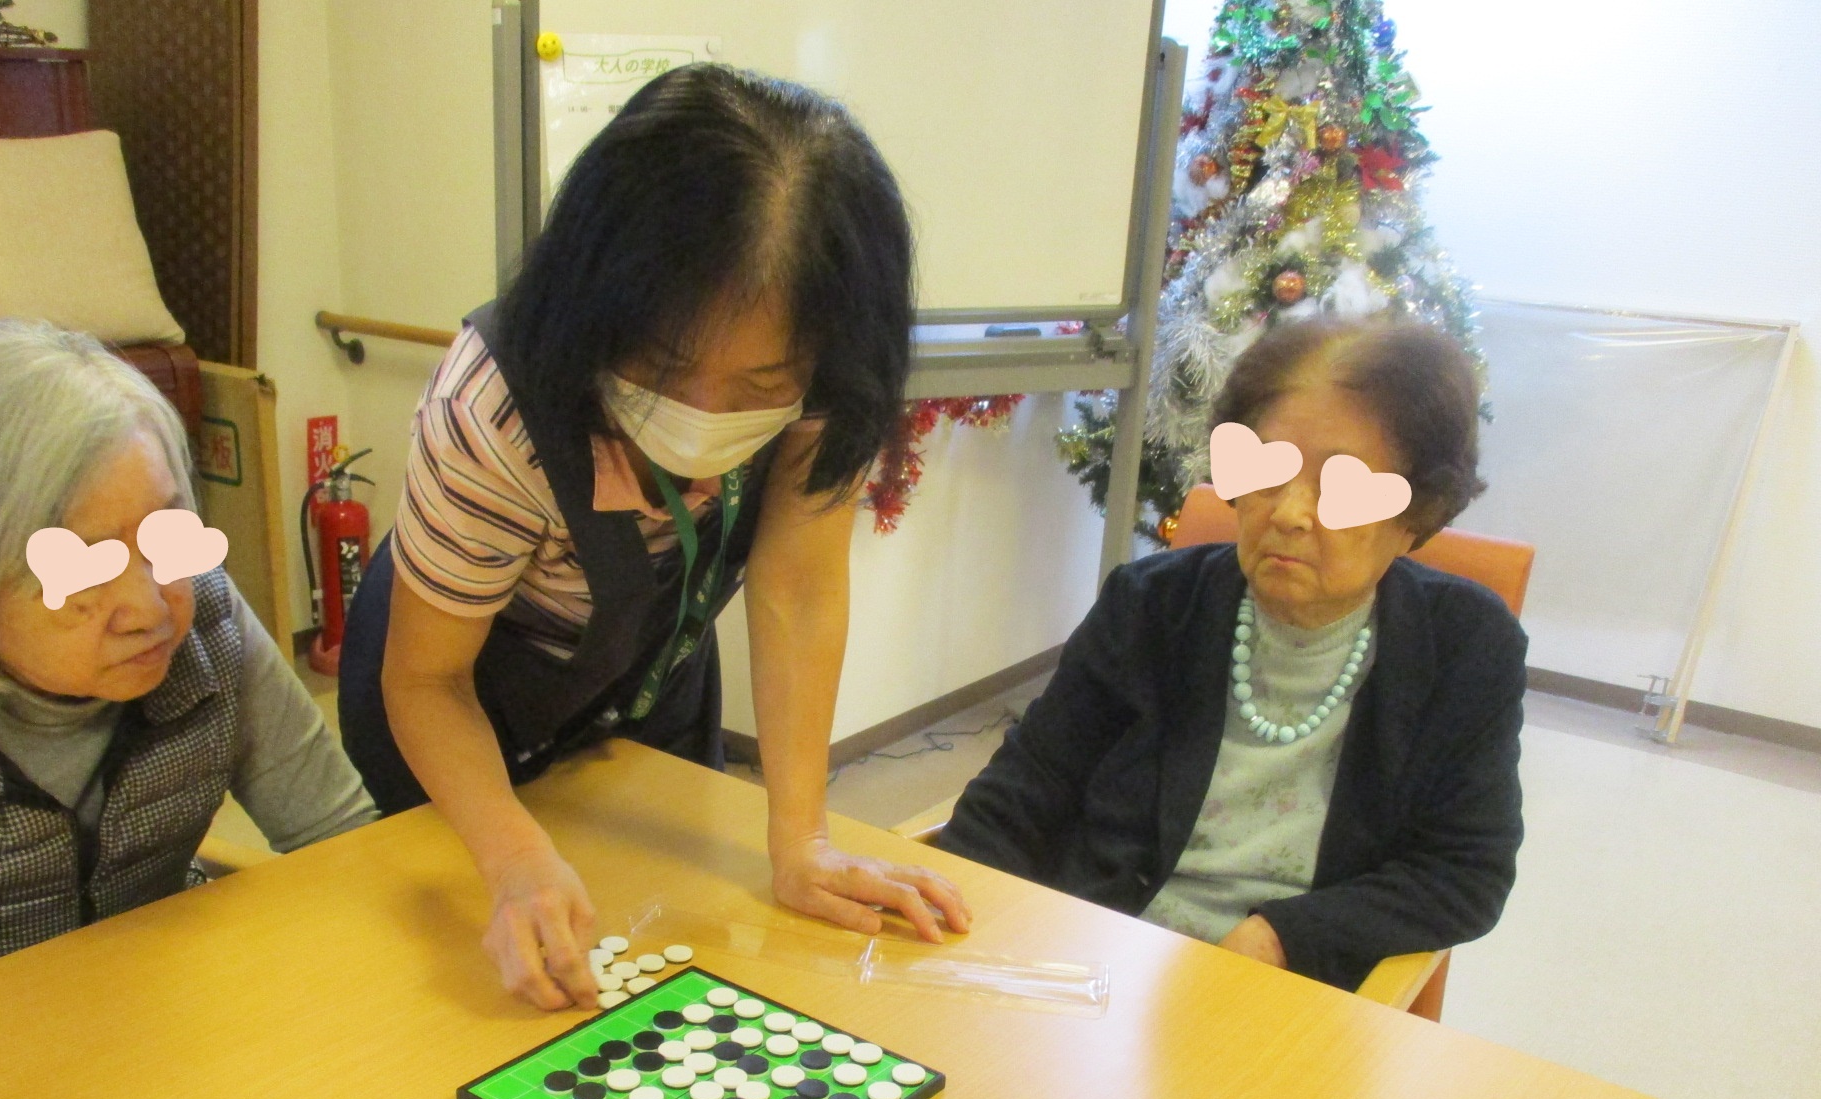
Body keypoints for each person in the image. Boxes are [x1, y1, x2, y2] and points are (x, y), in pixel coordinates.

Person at [339, 64, 968, 1012]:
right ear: (605, 304)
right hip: (456, 692)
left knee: (665, 941)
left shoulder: (829, 369)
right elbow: (427, 682)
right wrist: (512, 857)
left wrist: (802, 841)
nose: (704, 415)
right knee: (474, 1000)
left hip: (641, 676)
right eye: (665, 367)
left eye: (760, 386)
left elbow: (798, 589)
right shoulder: (492, 408)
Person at [0, 322, 377, 1032]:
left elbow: (344, 845)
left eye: (163, 535)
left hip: (154, 1015)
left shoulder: (205, 614)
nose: (150, 608)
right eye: (83, 567)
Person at [937, 318, 1524, 991]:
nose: (1290, 513)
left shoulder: (1466, 644)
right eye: (1268, 471)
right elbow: (1023, 793)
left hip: (1290, 993)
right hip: (1095, 961)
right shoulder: (1151, 605)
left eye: (1341, 488)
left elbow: (1465, 872)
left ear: (1417, 512)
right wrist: (944, 918)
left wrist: (1281, 937)